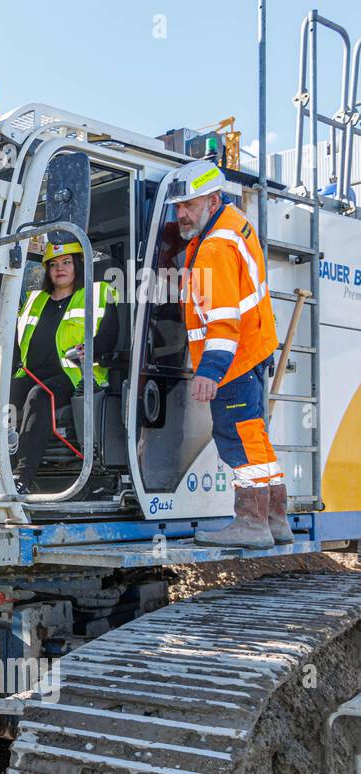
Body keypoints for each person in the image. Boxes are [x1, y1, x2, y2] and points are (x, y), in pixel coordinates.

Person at [167, 161, 292, 549]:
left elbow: (223, 320)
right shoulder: (233, 223)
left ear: (214, 198)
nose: (182, 214)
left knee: (237, 440)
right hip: (252, 352)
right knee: (256, 442)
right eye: (178, 207)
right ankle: (275, 521)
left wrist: (210, 370)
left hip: (234, 360)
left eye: (189, 204)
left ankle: (251, 522)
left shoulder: (214, 249)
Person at [9, 241, 121, 492]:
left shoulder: (96, 293)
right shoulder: (34, 301)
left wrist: (89, 347)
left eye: (66, 262)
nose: (60, 268)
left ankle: (22, 477)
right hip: (29, 372)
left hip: (72, 375)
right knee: (2, 395)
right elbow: (16, 339)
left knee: (40, 397)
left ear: (78, 266)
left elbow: (109, 337)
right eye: (54, 264)